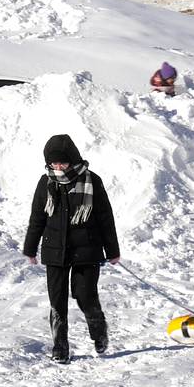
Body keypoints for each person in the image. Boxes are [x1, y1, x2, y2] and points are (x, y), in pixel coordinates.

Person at [23, 135, 120, 363]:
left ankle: (98, 329)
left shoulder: (91, 181)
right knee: (57, 301)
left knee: (85, 295)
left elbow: (105, 218)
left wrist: (112, 250)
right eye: (54, 163)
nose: (58, 167)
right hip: (54, 251)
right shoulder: (45, 182)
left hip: (86, 250)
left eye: (63, 162)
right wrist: (30, 247)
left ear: (73, 159)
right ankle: (60, 347)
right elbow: (37, 217)